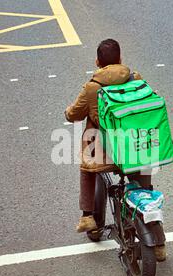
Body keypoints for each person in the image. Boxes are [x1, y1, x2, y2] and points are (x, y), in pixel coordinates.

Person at [65, 39, 166, 261]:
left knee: (87, 166)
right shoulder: (136, 78)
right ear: (120, 60)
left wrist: (68, 112)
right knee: (144, 193)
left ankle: (88, 216)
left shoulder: (92, 87)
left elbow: (73, 114)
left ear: (98, 62)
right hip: (136, 147)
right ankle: (159, 245)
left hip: (106, 150)